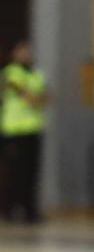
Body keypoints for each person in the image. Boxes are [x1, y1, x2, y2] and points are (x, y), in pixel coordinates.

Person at [1, 40, 47, 224]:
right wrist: (34, 98)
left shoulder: (36, 73)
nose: (26, 54)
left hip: (33, 128)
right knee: (13, 172)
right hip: (13, 129)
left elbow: (46, 96)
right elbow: (26, 96)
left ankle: (30, 210)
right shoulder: (10, 73)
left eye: (28, 51)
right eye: (22, 51)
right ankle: (8, 209)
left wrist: (36, 98)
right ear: (14, 54)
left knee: (31, 173)